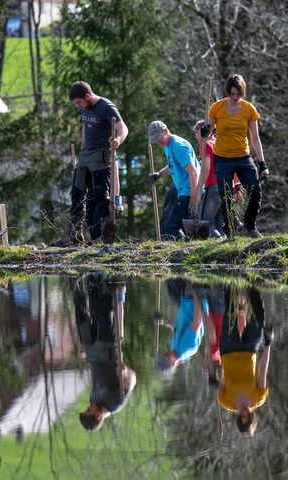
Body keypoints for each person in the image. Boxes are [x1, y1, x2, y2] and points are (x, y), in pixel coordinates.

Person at [202, 74, 269, 238]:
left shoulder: (249, 109)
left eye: (237, 94)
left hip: (243, 157)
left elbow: (255, 138)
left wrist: (262, 163)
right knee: (226, 196)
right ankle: (230, 230)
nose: (234, 97)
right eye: (232, 94)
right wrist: (205, 131)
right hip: (222, 158)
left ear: (242, 93)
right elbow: (208, 131)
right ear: (227, 92)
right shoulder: (217, 108)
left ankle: (249, 226)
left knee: (255, 191)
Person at [72, 273, 136, 432]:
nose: (89, 406)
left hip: (91, 353)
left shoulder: (93, 400)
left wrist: (87, 362)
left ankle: (80, 280)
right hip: (107, 350)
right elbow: (132, 381)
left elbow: (95, 379)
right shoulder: (116, 403)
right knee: (103, 313)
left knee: (82, 317)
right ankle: (103, 277)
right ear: (98, 416)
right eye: (89, 410)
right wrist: (125, 371)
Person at [68, 81, 128, 243]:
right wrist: (83, 145)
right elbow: (85, 127)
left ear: (87, 96)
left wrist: (118, 140)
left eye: (79, 102)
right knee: (76, 191)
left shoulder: (106, 107)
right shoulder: (84, 108)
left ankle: (106, 234)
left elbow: (123, 128)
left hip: (101, 154)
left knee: (102, 196)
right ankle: (75, 232)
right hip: (86, 154)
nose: (78, 106)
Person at [217, 287, 273, 437]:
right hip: (249, 350)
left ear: (238, 418)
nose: (244, 413)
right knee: (259, 317)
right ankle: (252, 285)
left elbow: (219, 379)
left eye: (242, 416)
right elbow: (262, 371)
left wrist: (214, 377)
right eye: (247, 416)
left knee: (230, 313)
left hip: (228, 349)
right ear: (252, 417)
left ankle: (230, 283)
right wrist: (268, 343)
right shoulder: (258, 399)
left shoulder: (226, 402)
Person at [148, 121, 200, 239]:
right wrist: (159, 174)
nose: (157, 142)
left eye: (159, 138)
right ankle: (183, 243)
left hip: (189, 190)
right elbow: (173, 165)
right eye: (155, 140)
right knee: (168, 223)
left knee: (171, 226)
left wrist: (193, 199)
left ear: (166, 131)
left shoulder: (178, 146)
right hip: (182, 190)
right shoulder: (167, 145)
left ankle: (183, 249)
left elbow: (193, 172)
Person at [155, 279, 205, 377]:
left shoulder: (174, 349)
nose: (164, 352)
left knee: (170, 285)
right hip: (194, 301)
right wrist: (196, 294)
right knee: (172, 276)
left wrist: (163, 321)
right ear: (173, 363)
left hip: (185, 302)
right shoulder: (186, 348)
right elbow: (197, 322)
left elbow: (178, 327)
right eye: (165, 356)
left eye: (162, 354)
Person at [194, 121, 224, 238]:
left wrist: (198, 188)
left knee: (206, 225)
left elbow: (206, 168)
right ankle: (222, 251)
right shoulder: (219, 143)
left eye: (196, 132)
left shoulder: (205, 144)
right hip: (224, 186)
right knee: (219, 225)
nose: (195, 135)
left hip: (212, 187)